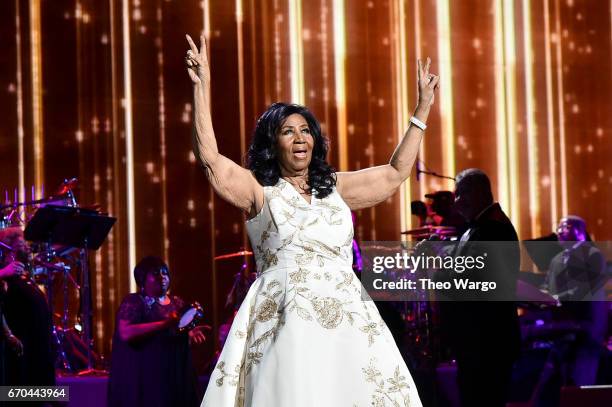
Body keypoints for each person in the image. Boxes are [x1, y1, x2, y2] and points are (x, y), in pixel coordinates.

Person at [185, 32, 439, 406]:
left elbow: (395, 172)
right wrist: (201, 87)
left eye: (306, 130)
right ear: (273, 143)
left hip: (346, 321)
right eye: (288, 131)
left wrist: (422, 110)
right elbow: (210, 159)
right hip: (285, 320)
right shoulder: (258, 188)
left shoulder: (334, 186)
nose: (300, 138)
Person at [437, 169, 521, 407]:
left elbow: (470, 281)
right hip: (480, 341)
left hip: (487, 343)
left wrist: (435, 270)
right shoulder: (482, 226)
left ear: (479, 192)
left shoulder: (492, 229)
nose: (456, 202)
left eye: (460, 194)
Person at [107, 256, 207, 407]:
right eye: (155, 273)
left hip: (175, 376)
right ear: (142, 279)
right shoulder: (134, 301)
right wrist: (164, 324)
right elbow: (126, 332)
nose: (162, 277)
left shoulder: (177, 303)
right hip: (147, 378)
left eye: (164, 272)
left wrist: (189, 335)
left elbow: (174, 336)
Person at [0, 227, 55, 389]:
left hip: (38, 347)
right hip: (21, 348)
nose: (28, 248)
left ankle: (50, 398)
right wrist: (3, 272)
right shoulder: (6, 276)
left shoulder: (22, 275)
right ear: (10, 251)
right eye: (22, 245)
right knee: (20, 391)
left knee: (46, 392)